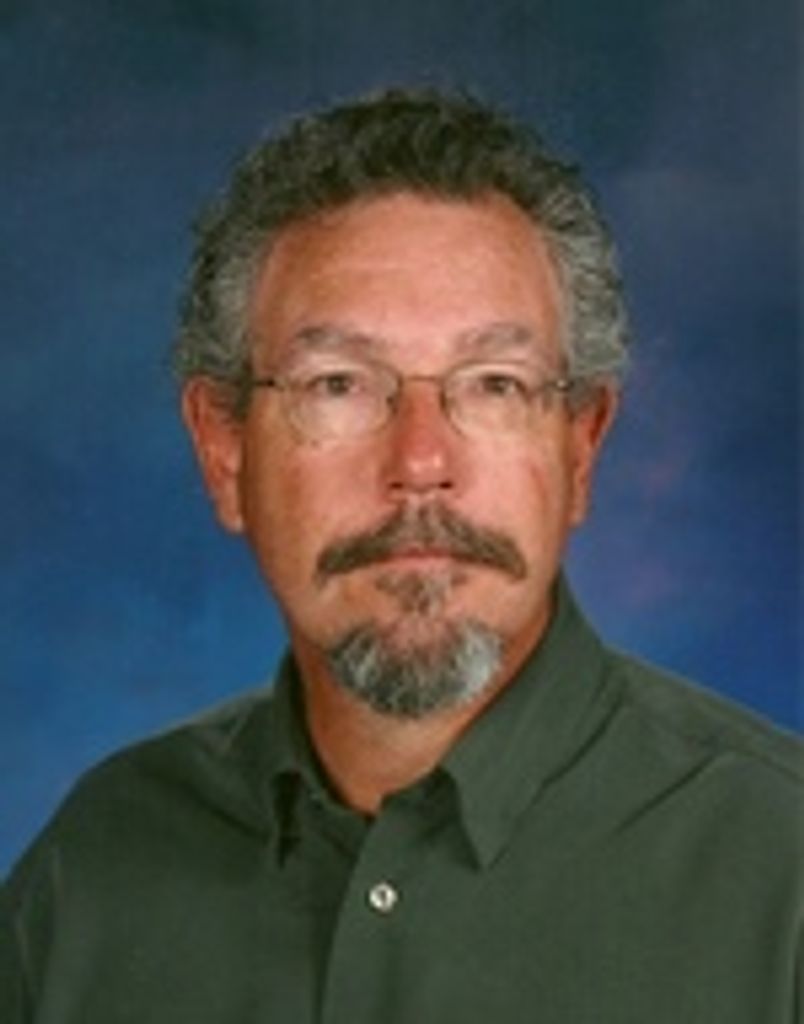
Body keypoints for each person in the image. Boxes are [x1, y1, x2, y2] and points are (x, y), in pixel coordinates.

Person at [1, 88, 801, 1023]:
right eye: (338, 384)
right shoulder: (90, 879)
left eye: (493, 385)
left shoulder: (783, 879)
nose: (420, 464)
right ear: (224, 450)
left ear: (580, 447)